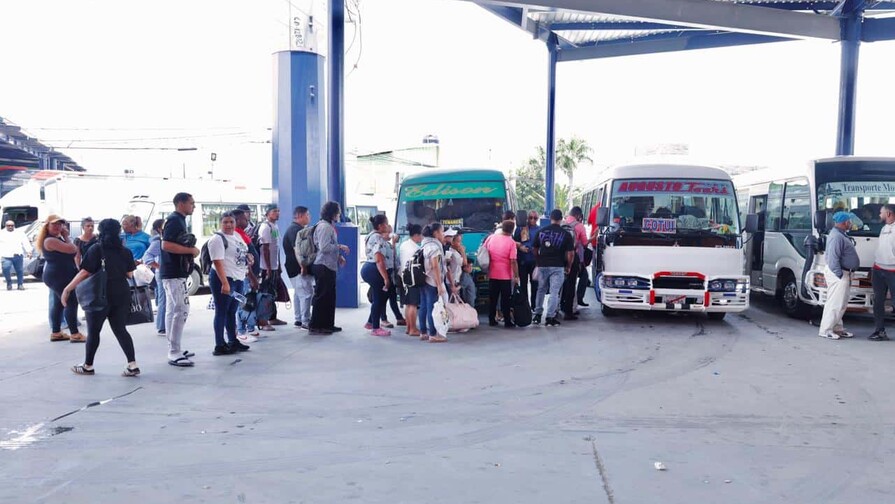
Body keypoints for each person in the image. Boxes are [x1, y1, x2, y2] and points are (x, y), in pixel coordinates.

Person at [62, 219, 141, 377]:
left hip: (99, 295)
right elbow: (129, 274)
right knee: (120, 329)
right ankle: (132, 365)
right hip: (121, 294)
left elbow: (85, 272)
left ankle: (88, 365)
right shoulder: (125, 251)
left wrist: (68, 288)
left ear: (101, 231)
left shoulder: (96, 249)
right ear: (118, 232)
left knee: (94, 331)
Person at [161, 192, 200, 366]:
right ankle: (174, 351)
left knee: (172, 310)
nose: (194, 206)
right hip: (173, 273)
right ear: (181, 203)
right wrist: (191, 251)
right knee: (182, 309)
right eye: (191, 203)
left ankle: (174, 347)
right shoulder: (174, 220)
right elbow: (166, 245)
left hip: (174, 272)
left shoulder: (179, 220)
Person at [36, 215, 86, 342]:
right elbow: (73, 249)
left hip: (59, 275)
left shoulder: (54, 239)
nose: (58, 227)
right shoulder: (50, 240)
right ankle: (74, 333)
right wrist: (66, 236)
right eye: (54, 224)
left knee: (59, 304)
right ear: (47, 226)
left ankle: (56, 332)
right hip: (58, 276)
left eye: (60, 224)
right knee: (70, 302)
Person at [208, 212, 252, 356]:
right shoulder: (217, 239)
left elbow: (241, 252)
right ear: (220, 223)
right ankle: (219, 344)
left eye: (231, 222)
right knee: (221, 311)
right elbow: (217, 262)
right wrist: (225, 283)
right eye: (225, 222)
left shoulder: (237, 236)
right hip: (224, 279)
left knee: (231, 311)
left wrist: (249, 257)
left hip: (238, 278)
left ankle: (233, 340)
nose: (228, 225)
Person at [309, 201, 350, 335]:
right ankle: (316, 325)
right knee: (322, 297)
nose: (339, 214)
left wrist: (338, 256)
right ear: (332, 213)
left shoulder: (326, 226)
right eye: (338, 212)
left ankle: (327, 324)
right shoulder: (325, 227)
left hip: (328, 265)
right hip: (323, 265)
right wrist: (340, 247)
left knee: (329, 297)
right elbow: (325, 247)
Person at [818, 211, 860, 340]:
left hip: (843, 272)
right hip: (839, 273)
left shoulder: (840, 235)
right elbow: (832, 258)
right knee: (835, 303)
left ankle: (837, 328)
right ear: (845, 222)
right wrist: (839, 274)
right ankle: (826, 330)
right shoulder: (837, 237)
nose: (851, 224)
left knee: (841, 303)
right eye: (849, 221)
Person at [533, 209, 574, 326]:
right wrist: (569, 266)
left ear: (550, 218)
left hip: (543, 265)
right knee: (554, 292)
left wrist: (538, 261)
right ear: (561, 219)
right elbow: (570, 254)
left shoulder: (540, 232)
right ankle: (550, 317)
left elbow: (535, 249)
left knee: (541, 290)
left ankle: (537, 315)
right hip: (558, 266)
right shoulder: (566, 234)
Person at [361, 214, 393, 337]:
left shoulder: (372, 235)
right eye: (386, 224)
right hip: (375, 270)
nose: (388, 226)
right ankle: (375, 328)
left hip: (369, 268)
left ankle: (370, 322)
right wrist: (385, 278)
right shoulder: (378, 238)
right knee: (379, 299)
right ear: (380, 226)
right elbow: (379, 259)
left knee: (379, 297)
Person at [234, 209, 262, 342]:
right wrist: (252, 277)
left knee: (248, 301)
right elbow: (244, 259)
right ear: (238, 220)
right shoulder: (237, 236)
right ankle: (241, 330)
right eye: (244, 218)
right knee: (243, 302)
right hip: (244, 275)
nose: (247, 220)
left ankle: (249, 327)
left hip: (249, 274)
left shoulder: (242, 233)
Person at [283, 206, 314, 329]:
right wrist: (303, 266)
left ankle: (299, 319)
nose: (309, 217)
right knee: (306, 294)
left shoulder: (293, 229)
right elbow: (298, 250)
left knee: (298, 293)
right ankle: (306, 321)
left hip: (292, 267)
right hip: (297, 268)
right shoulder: (296, 231)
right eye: (307, 215)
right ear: (300, 216)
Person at [486, 220, 520, 328]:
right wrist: (516, 275)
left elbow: (485, 251)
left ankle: (491, 319)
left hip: (492, 272)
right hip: (505, 275)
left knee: (493, 298)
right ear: (512, 230)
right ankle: (507, 321)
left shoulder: (491, 238)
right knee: (506, 299)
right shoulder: (511, 242)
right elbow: (513, 260)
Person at [258, 204, 286, 327]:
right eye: (274, 211)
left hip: (274, 266)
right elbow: (265, 249)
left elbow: (276, 247)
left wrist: (278, 265)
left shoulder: (274, 226)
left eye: (278, 211)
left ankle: (272, 318)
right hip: (266, 268)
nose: (277, 213)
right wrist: (268, 268)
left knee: (273, 293)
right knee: (265, 295)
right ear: (267, 213)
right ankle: (263, 321)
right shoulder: (265, 227)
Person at [869, 204, 895, 341]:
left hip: (893, 270)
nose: (879, 215)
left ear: (889, 214)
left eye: (881, 212)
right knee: (878, 301)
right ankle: (879, 331)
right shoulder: (884, 228)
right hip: (879, 269)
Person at [419, 223, 448, 342]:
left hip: (423, 279)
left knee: (424, 306)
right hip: (432, 280)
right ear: (436, 233)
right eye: (442, 232)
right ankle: (433, 334)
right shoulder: (434, 247)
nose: (443, 234)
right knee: (432, 307)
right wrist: (439, 284)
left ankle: (423, 332)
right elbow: (435, 266)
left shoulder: (424, 244)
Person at [561, 207, 588, 320]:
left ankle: (558, 307)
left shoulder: (562, 223)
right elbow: (585, 243)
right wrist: (593, 237)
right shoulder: (580, 226)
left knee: (560, 284)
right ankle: (569, 310)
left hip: (560, 257)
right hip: (573, 256)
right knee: (572, 284)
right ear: (578, 215)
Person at [141, 218, 167, 336]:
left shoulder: (162, 240)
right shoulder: (158, 242)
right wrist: (159, 267)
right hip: (162, 274)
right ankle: (161, 326)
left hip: (163, 273)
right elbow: (147, 257)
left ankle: (164, 325)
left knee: (165, 299)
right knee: (164, 299)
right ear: (159, 229)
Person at [378, 224, 405, 328]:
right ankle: (383, 319)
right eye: (387, 232)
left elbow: (394, 259)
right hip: (383, 273)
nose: (389, 234)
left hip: (391, 273)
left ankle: (398, 317)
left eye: (390, 232)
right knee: (383, 298)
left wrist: (393, 244)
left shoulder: (389, 245)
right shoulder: (380, 244)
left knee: (392, 296)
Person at [399, 224, 423, 337]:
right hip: (413, 278)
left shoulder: (404, 245)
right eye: (421, 235)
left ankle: (409, 328)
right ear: (417, 235)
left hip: (403, 277)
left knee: (408, 304)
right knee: (413, 304)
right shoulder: (416, 249)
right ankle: (413, 329)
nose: (422, 238)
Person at [513, 210, 540, 308]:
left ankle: (534, 305)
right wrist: (520, 247)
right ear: (527, 218)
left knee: (535, 285)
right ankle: (525, 306)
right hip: (522, 260)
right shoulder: (520, 229)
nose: (532, 220)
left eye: (535, 218)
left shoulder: (539, 229)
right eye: (530, 218)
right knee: (523, 285)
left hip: (534, 261)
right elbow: (513, 242)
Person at [1, 219, 31, 291]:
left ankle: (20, 284)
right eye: (9, 225)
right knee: (5, 269)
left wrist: (29, 251)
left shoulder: (20, 233)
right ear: (5, 226)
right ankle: (9, 283)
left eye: (12, 225)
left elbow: (25, 242)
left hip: (18, 255)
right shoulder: (1, 233)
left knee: (19, 270)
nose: (10, 227)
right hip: (6, 256)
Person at [452, 232, 477, 305]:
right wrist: (463, 252)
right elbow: (465, 263)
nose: (461, 244)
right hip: (453, 281)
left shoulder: (457, 252)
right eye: (459, 241)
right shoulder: (453, 253)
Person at [443, 228, 463, 299]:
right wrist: (452, 285)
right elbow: (448, 269)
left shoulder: (454, 251)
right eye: (451, 236)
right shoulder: (447, 250)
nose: (452, 238)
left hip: (455, 280)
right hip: (450, 282)